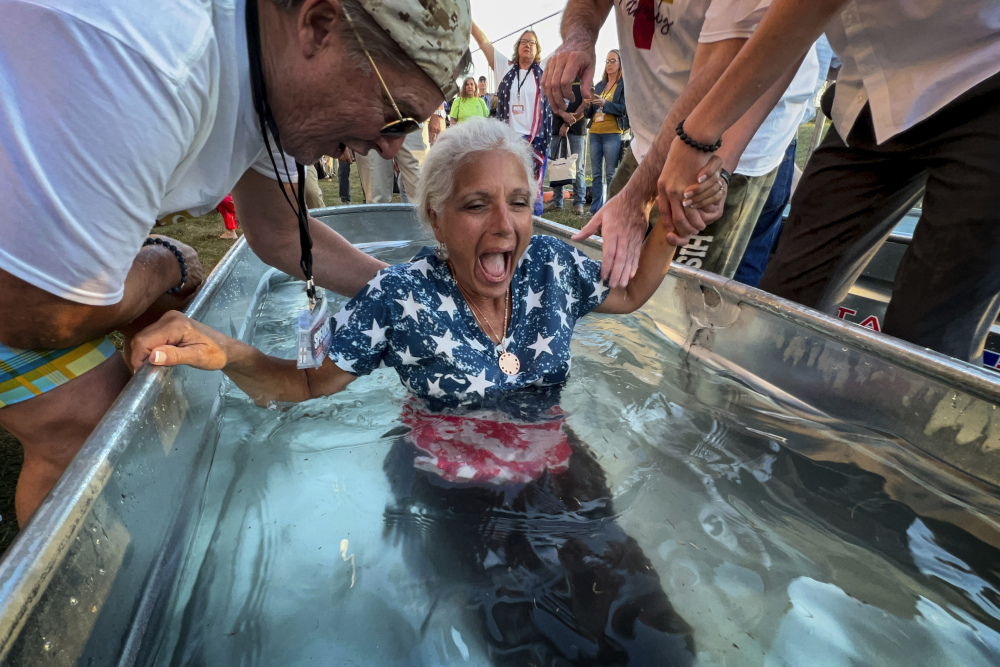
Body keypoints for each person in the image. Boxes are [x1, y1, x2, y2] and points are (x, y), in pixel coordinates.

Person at [132, 118, 694, 665]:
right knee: (530, 642)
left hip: (562, 473)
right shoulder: (399, 296)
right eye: (477, 204)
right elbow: (308, 383)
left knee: (657, 640)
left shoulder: (551, 267)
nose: (503, 225)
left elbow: (631, 295)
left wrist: (671, 225)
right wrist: (227, 351)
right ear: (436, 218)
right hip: (453, 488)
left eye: (519, 202)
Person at [0, 0, 472, 525]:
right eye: (397, 115)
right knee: (86, 420)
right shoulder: (157, 59)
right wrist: (166, 261)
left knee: (173, 315)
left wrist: (411, 295)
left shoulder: (276, 64)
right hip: (19, 287)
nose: (392, 148)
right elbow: (36, 312)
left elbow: (277, 231)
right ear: (319, 25)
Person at [657, 0, 1000, 365]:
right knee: (785, 309)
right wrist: (719, 165)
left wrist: (697, 135)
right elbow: (781, 40)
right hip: (870, 92)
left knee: (928, 340)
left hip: (985, 73)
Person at [541, 0, 807, 288]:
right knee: (609, 278)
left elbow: (728, 62)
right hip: (649, 137)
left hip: (724, 139)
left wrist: (638, 196)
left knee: (684, 296)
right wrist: (579, 37)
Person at [472, 22, 552, 217]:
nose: (527, 45)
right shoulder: (505, 68)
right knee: (509, 185)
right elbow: (483, 42)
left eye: (532, 43)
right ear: (517, 47)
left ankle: (534, 226)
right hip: (509, 140)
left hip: (536, 141)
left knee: (532, 188)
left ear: (537, 49)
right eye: (523, 41)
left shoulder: (545, 69)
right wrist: (467, 17)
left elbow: (568, 43)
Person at [585, 49, 627, 214]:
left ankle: (610, 209)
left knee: (610, 174)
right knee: (596, 174)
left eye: (613, 61)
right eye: (607, 61)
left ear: (620, 64)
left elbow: (624, 109)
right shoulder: (600, 85)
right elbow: (589, 114)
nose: (609, 64)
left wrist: (605, 104)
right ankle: (595, 209)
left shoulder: (623, 85)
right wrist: (589, 104)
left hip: (612, 133)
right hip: (595, 133)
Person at [355, 123, 430, 203]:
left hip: (412, 116)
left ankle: (422, 215)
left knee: (420, 191)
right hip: (369, 119)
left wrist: (438, 114)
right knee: (376, 196)